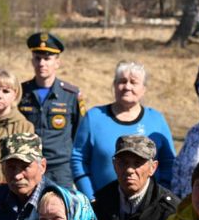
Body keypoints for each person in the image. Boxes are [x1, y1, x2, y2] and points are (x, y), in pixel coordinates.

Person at [71, 60, 176, 200]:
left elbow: (169, 162)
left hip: (149, 205)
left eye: (134, 82)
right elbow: (78, 159)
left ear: (144, 88)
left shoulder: (156, 120)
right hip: (102, 204)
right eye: (122, 81)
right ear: (114, 85)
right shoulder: (94, 117)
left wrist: (161, 195)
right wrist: (90, 197)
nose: (127, 86)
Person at [18, 32, 85, 188]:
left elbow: (80, 135)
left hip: (60, 169)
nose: (42, 63)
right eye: (38, 58)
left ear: (57, 63)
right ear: (32, 61)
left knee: (58, 210)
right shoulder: (21, 93)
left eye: (47, 59)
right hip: (27, 166)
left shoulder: (71, 95)